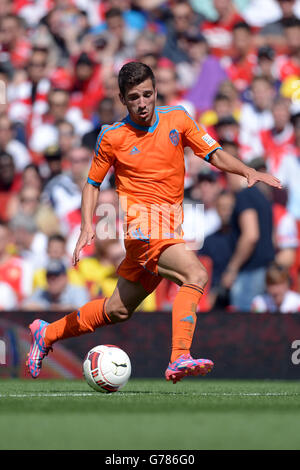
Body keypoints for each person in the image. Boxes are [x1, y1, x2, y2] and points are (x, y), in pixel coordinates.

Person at [26, 61, 281, 382]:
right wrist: (88, 225)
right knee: (196, 274)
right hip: (142, 228)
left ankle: (46, 334)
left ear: (156, 91)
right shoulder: (112, 136)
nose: (143, 102)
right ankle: (179, 357)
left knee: (117, 309)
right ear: (123, 99)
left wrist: (248, 170)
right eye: (134, 97)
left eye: (148, 94)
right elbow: (92, 183)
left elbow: (213, 153)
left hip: (169, 226)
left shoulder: (177, 120)